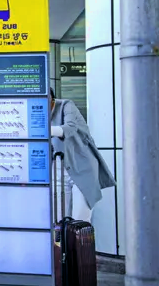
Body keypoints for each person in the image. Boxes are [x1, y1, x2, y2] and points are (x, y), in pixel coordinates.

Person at [50, 88, 116, 222]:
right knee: (58, 218)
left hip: (81, 167)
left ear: (51, 99)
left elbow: (70, 128)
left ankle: (79, 243)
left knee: (80, 220)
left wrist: (41, 130)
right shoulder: (35, 114)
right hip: (58, 169)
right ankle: (61, 243)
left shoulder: (66, 105)